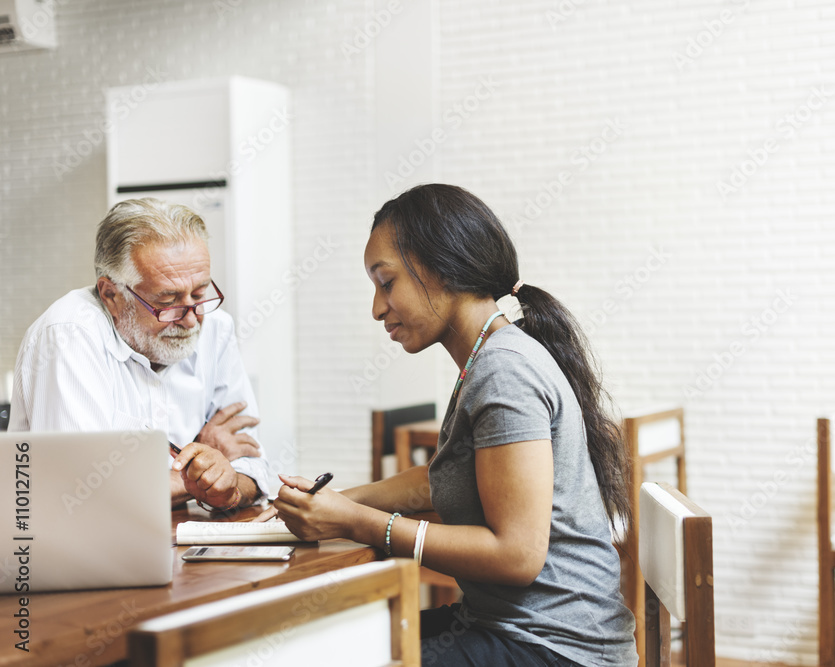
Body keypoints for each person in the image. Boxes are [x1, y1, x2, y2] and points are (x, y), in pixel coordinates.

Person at [264, 184, 638, 666]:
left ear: (438, 267)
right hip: (511, 628)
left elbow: (517, 555)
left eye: (386, 282)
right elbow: (446, 477)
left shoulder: (504, 370)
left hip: (556, 649)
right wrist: (342, 501)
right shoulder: (490, 358)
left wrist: (358, 523)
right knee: (335, 642)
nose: (377, 308)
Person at [9, 198, 269, 510]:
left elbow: (254, 469)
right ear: (111, 295)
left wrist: (228, 485)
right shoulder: (69, 334)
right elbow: (83, 494)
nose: (190, 319)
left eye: (199, 294)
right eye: (168, 301)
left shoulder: (215, 327)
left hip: (174, 541)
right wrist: (200, 468)